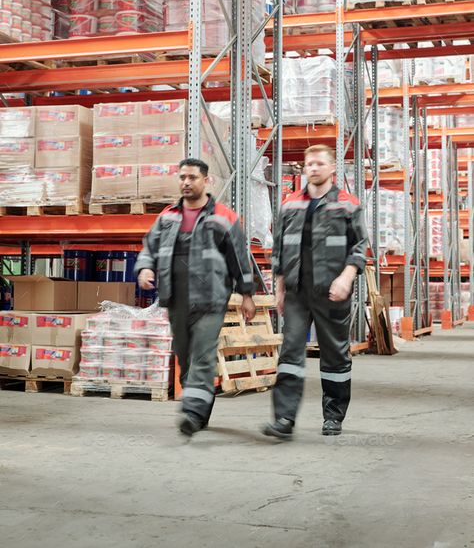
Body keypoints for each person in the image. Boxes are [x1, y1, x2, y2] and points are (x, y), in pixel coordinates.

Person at [135, 157, 256, 437]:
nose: (186, 182)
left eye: (192, 177)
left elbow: (240, 259)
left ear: (206, 180)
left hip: (211, 299)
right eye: (182, 177)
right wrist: (144, 267)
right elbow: (149, 246)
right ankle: (200, 408)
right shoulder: (167, 216)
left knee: (202, 356)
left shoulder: (223, 217)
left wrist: (247, 295)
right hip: (175, 298)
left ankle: (191, 412)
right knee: (186, 357)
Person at [263, 144, 368, 441]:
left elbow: (360, 248)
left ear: (332, 168)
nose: (313, 168)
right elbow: (279, 250)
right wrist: (279, 289)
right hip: (297, 292)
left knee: (334, 356)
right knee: (290, 353)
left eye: (320, 163)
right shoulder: (290, 204)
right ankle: (283, 418)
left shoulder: (348, 204)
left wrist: (346, 278)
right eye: (309, 163)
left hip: (332, 292)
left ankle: (333, 416)